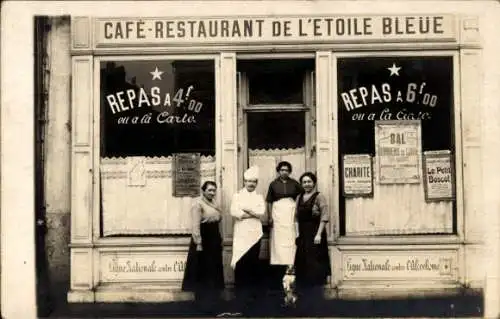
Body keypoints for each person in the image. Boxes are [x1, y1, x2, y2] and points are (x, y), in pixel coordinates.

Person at [182, 181, 224, 314]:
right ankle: (201, 303)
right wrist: (199, 243)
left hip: (214, 238)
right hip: (203, 239)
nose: (212, 193)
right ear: (203, 191)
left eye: (214, 190)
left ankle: (212, 301)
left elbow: (218, 219)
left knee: (213, 269)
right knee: (202, 269)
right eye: (210, 190)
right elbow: (195, 226)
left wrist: (219, 239)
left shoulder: (215, 203)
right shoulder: (198, 204)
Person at [293, 172, 331, 310]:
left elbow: (324, 216)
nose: (307, 184)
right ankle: (304, 298)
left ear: (314, 183)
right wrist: (297, 234)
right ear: (301, 184)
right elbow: (296, 217)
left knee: (315, 265)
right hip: (303, 235)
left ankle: (316, 299)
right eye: (304, 182)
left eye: (309, 181)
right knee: (303, 263)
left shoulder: (319, 196)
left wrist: (319, 234)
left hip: (315, 233)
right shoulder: (299, 197)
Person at [230, 166, 266, 311]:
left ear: (256, 183)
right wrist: (252, 213)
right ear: (244, 182)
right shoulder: (237, 195)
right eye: (248, 181)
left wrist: (248, 210)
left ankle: (252, 298)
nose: (251, 184)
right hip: (241, 234)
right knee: (241, 263)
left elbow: (261, 212)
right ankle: (240, 297)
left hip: (255, 234)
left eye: (253, 182)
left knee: (253, 264)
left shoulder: (259, 197)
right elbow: (234, 211)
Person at [266, 161, 303, 289]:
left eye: (287, 170)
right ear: (278, 171)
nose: (284, 172)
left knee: (290, 237)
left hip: (290, 211)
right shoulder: (273, 184)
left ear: (290, 171)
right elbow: (269, 201)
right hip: (277, 212)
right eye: (282, 170)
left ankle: (290, 262)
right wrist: (270, 216)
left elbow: (301, 194)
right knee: (278, 238)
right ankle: (279, 262)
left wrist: (296, 206)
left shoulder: (294, 183)